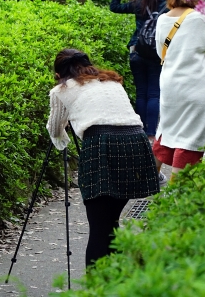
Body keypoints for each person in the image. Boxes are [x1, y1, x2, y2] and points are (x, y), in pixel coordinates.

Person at [46, 49, 159, 267]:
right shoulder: (111, 81)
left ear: (60, 74)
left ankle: (98, 287)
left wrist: (65, 136)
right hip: (136, 142)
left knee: (99, 227)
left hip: (101, 144)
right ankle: (115, 277)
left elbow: (55, 130)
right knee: (110, 221)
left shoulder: (61, 90)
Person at [153, 0, 205, 180]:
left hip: (170, 86)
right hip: (195, 86)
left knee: (167, 130)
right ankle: (175, 196)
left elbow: (161, 53)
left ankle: (147, 182)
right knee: (189, 139)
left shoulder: (161, 19)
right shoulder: (201, 17)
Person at [109, 0, 167, 146]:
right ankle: (151, 134)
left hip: (137, 50)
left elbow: (114, 7)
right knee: (154, 93)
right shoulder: (166, 3)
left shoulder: (138, 3)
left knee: (141, 92)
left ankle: (139, 130)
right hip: (157, 51)